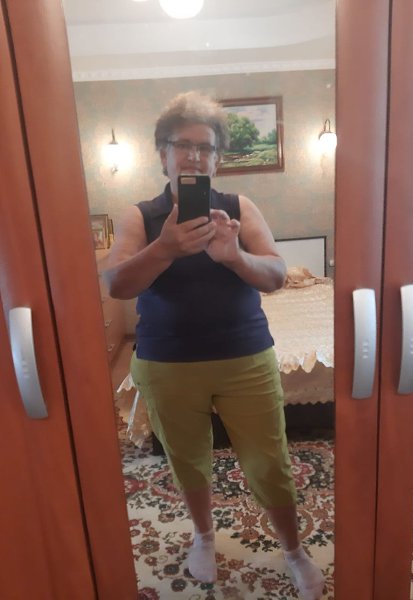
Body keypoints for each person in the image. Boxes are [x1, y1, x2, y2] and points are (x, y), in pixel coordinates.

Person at [105, 91, 324, 599]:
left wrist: (234, 257)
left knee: (269, 461)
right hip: (167, 362)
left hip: (245, 357)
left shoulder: (238, 208)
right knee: (187, 458)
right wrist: (164, 248)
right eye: (182, 145)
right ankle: (204, 536)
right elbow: (116, 283)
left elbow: (276, 275)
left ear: (218, 159)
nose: (194, 155)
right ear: (163, 154)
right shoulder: (141, 215)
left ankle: (293, 549)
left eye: (205, 147)